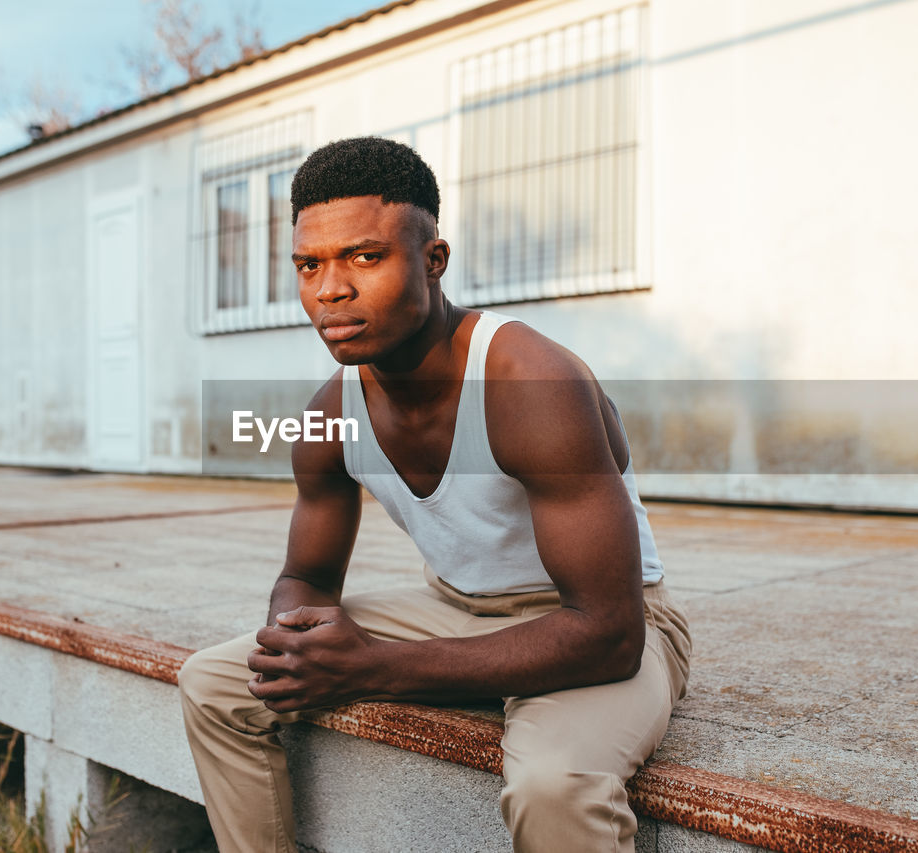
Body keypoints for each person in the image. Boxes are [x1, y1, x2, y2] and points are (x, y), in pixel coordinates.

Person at [178, 136, 691, 853]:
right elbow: (306, 576)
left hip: (603, 622)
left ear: (433, 260)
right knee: (214, 681)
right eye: (309, 264)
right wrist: (299, 636)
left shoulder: (526, 382)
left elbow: (608, 632)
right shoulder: (329, 413)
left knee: (553, 783)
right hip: (457, 609)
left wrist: (372, 666)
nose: (330, 289)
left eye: (364, 256)